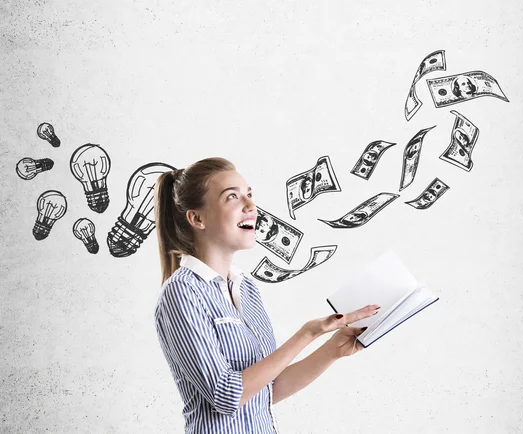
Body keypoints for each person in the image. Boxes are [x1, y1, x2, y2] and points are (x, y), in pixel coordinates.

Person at [153, 157, 380, 433]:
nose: (250, 206)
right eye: (232, 197)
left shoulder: (246, 288)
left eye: (249, 194)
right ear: (197, 218)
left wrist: (332, 350)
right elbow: (227, 396)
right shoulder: (181, 293)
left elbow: (267, 390)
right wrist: (306, 334)